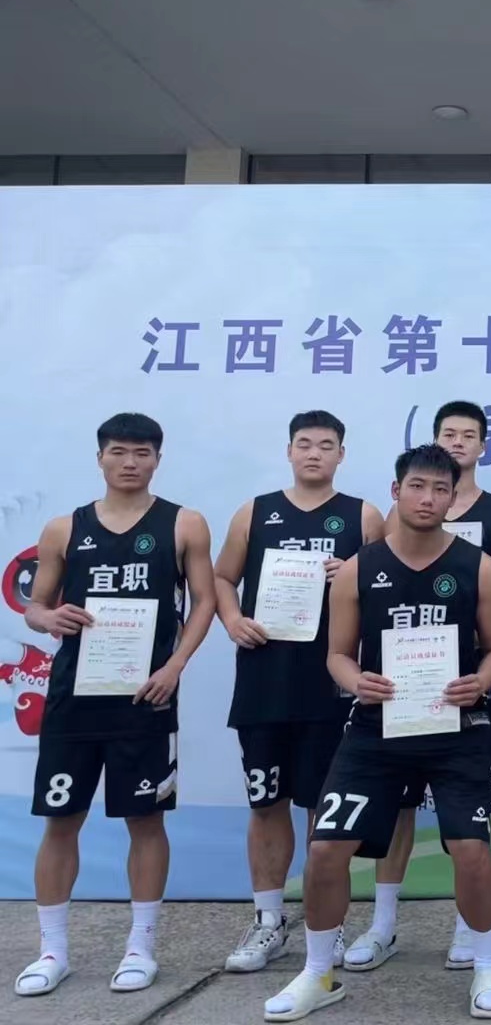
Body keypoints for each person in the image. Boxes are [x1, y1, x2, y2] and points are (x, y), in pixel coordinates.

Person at [263, 444, 491, 1022]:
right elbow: (337, 655)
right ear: (396, 491)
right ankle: (318, 973)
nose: (428, 499)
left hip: (458, 727)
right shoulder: (359, 568)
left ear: (453, 498)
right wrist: (357, 682)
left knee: (471, 849)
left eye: (441, 489)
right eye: (417, 487)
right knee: (326, 849)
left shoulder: (481, 567)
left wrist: (481, 680)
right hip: (377, 729)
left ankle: (486, 967)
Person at [14, 413, 217, 997]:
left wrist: (174, 667)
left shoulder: (183, 523)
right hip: (73, 699)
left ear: (158, 459)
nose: (130, 463)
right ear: (100, 457)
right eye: (119, 452)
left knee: (146, 820)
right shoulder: (63, 528)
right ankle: (52, 951)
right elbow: (36, 607)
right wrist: (47, 617)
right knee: (61, 820)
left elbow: (204, 601)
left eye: (142, 453)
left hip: (145, 698)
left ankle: (141, 946)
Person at [216, 410, 386, 974]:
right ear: (289, 451)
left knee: (324, 811)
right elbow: (222, 578)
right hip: (265, 680)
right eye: (305, 444)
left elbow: (388, 586)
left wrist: (354, 572)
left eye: (326, 445)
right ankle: (268, 921)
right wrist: (233, 619)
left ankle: (325, 926)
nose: (314, 453)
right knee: (266, 803)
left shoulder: (363, 515)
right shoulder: (255, 511)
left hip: (331, 685)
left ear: (342, 454)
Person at [352, 399, 491, 971]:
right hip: (397, 698)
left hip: (460, 696)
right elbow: (357, 627)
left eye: (469, 435)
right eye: (449, 433)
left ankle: (469, 931)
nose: (458, 442)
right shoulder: (384, 532)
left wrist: (479, 673)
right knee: (396, 811)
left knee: (465, 829)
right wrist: (361, 677)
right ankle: (382, 924)